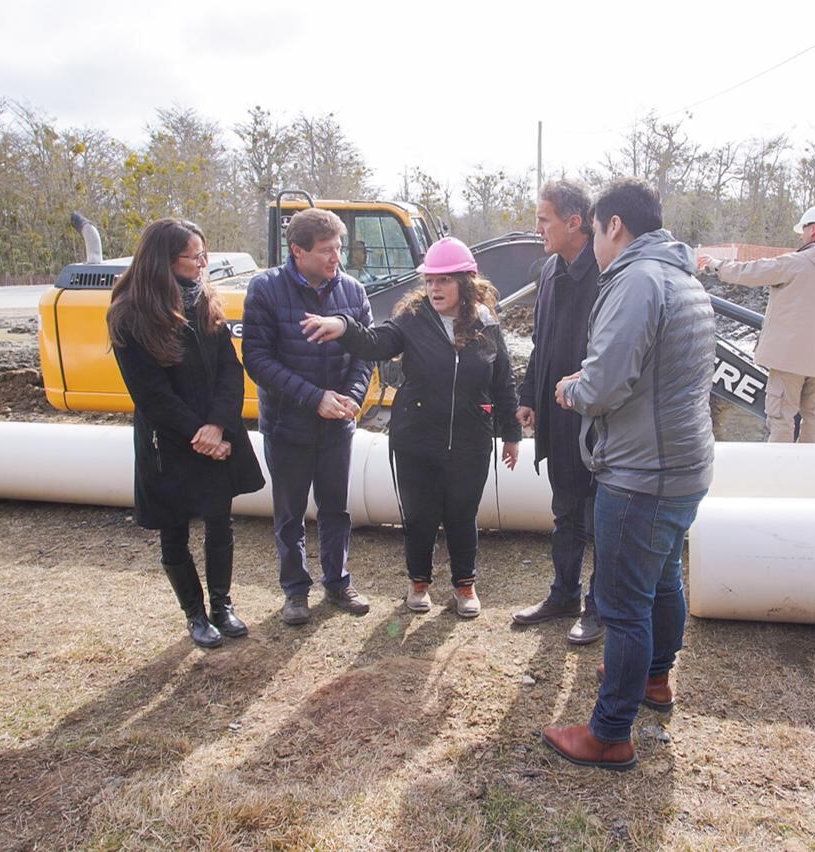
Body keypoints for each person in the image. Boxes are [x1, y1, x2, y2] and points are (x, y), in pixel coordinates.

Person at [541, 178, 715, 771]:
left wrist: (570, 389)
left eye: (595, 231)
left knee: (622, 602)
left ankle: (611, 732)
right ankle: (655, 681)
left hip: (641, 472)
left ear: (614, 225)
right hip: (684, 466)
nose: (591, 244)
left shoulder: (636, 281)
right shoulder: (681, 275)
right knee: (664, 578)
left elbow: (605, 383)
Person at [300, 237, 521, 618]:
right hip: (416, 439)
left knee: (462, 515)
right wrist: (344, 327)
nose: (435, 288)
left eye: (444, 281)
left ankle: (464, 587)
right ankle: (418, 584)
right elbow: (376, 341)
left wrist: (512, 434)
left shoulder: (486, 324)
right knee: (419, 515)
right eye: (430, 281)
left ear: (465, 283)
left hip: (470, 439)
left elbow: (502, 381)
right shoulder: (412, 319)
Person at [108, 218, 266, 648]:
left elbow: (230, 371)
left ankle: (222, 605)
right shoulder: (128, 316)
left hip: (216, 433)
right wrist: (199, 433)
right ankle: (195, 615)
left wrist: (217, 425)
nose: (203, 264)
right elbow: (150, 393)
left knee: (220, 523)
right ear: (163, 261)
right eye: (194, 257)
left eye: (203, 254)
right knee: (173, 530)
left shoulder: (205, 301)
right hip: (169, 441)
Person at [242, 208, 375, 625]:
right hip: (287, 425)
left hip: (337, 425)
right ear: (297, 251)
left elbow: (364, 351)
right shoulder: (265, 290)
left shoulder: (353, 292)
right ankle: (295, 591)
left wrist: (351, 396)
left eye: (338, 248)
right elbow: (257, 359)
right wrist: (313, 397)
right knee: (290, 514)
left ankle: (337, 582)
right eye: (326, 251)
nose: (336, 257)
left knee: (336, 508)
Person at [511, 180, 604, 645]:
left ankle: (598, 606)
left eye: (544, 219)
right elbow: (539, 341)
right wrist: (528, 395)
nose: (538, 229)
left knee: (600, 518)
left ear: (575, 222)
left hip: (600, 421)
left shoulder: (608, 272)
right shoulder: (549, 271)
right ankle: (564, 594)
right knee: (565, 511)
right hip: (558, 417)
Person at [698, 203, 815, 443]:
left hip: (788, 361)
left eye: (804, 229)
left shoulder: (795, 263)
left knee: (781, 419)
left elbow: (749, 272)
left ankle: (780, 474)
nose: (803, 235)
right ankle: (806, 474)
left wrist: (716, 264)